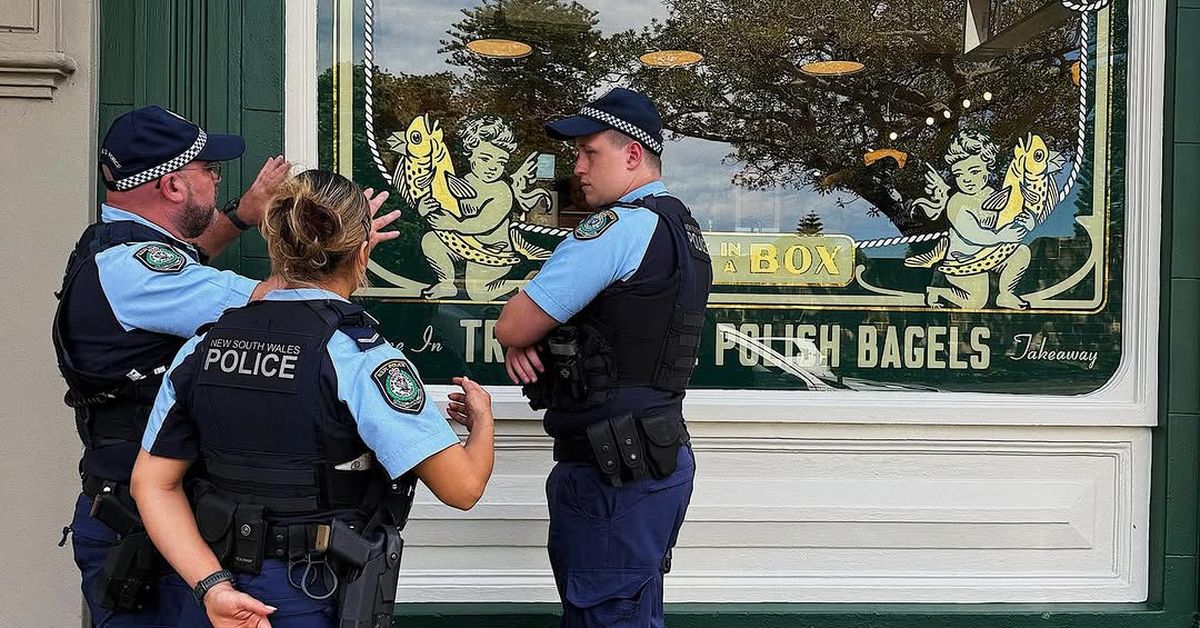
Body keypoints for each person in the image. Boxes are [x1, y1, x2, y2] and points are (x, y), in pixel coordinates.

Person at [130, 169, 496, 628]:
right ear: (363, 251)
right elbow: (462, 488)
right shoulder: (361, 358)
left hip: (214, 595)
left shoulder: (203, 345)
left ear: (275, 245)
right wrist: (483, 422)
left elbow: (153, 483)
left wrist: (213, 588)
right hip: (309, 591)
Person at [52, 105, 316, 627]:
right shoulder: (137, 271)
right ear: (173, 187)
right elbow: (275, 303)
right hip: (148, 528)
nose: (217, 180)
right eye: (208, 171)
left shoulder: (119, 249)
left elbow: (185, 261)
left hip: (144, 514)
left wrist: (241, 216)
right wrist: (334, 252)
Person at [495, 87, 712, 627]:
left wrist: (526, 335)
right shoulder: (680, 227)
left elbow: (512, 323)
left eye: (590, 153)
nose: (578, 167)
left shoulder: (618, 227)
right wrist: (542, 338)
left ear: (633, 155)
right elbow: (623, 327)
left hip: (612, 472)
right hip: (650, 460)